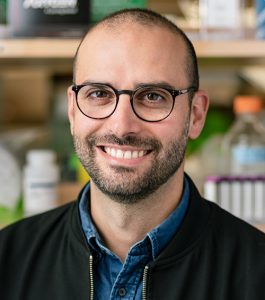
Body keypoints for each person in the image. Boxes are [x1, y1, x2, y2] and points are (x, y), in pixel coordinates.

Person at [0, 8, 265, 300]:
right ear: (73, 110)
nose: (122, 126)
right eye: (99, 94)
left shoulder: (256, 272)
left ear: (196, 115)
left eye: (153, 96)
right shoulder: (8, 260)